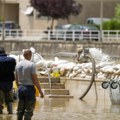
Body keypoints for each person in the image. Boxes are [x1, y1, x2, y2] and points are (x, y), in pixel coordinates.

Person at [15, 49, 44, 120]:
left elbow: (16, 79)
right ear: (30, 55)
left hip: (21, 88)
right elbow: (35, 80)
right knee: (28, 110)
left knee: (20, 110)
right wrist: (40, 91)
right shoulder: (31, 65)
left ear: (23, 55)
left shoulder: (18, 65)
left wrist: (19, 87)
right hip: (29, 89)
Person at [0, 47, 16, 114]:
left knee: (0, 101)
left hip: (0, 83)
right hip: (9, 83)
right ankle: (10, 113)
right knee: (9, 100)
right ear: (4, 52)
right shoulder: (12, 60)